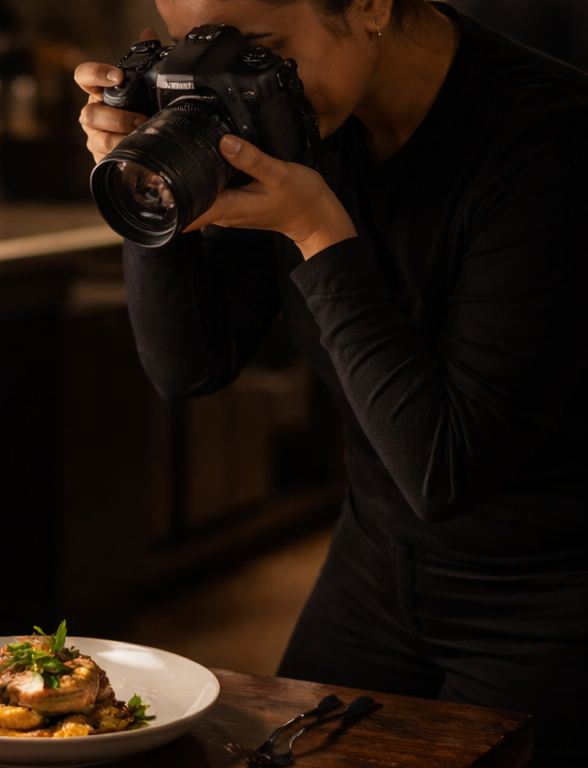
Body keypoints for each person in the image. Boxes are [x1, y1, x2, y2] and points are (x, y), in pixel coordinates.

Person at [74, 1, 587, 766]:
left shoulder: (552, 141)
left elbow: (445, 469)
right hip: (378, 563)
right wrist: (151, 174)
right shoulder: (287, 114)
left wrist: (317, 231)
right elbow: (190, 366)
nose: (225, 74)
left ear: (372, 5)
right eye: (198, 45)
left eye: (259, 47)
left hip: (553, 591)